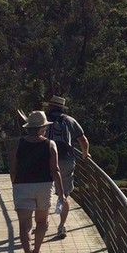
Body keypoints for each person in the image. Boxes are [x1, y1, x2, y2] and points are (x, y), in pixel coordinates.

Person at [9, 110, 64, 253]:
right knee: (42, 222)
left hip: (22, 186)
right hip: (44, 186)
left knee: (25, 226)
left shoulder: (18, 143)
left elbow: (13, 169)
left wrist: (15, 183)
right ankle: (37, 251)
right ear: (42, 129)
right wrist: (61, 193)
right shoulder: (50, 144)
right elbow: (55, 170)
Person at [44, 95, 90, 239]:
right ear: (62, 108)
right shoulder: (70, 120)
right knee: (64, 194)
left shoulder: (44, 120)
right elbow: (83, 140)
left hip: (46, 159)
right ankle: (61, 226)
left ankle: (42, 223)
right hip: (66, 160)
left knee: (44, 193)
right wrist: (85, 154)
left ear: (50, 107)